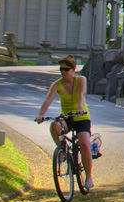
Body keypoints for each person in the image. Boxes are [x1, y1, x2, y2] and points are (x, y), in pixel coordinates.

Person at [36, 55, 94, 190]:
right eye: (61, 69)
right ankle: (62, 151)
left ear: (74, 69)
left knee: (84, 144)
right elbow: (48, 100)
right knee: (54, 125)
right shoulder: (57, 85)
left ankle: (89, 177)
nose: (63, 72)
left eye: (66, 69)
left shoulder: (81, 80)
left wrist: (80, 107)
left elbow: (82, 94)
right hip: (67, 117)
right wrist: (40, 115)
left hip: (81, 117)